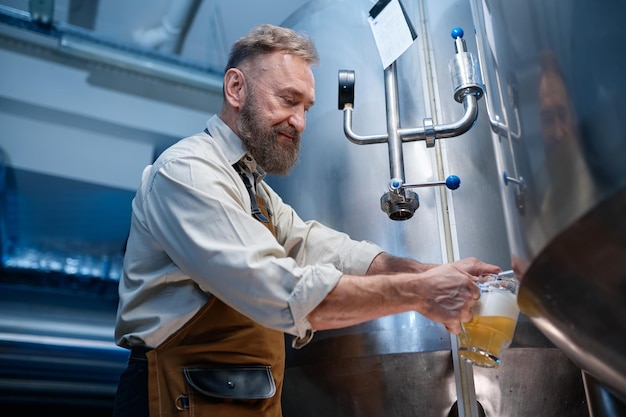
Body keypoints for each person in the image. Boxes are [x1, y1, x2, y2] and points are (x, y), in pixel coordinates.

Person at [112, 24, 500, 417]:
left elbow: (319, 246)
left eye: (306, 108)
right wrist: (419, 293)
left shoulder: (254, 190)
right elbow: (279, 290)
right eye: (287, 100)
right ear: (235, 89)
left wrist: (428, 272)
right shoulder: (189, 171)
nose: (298, 122)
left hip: (240, 400)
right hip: (177, 397)